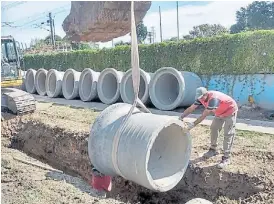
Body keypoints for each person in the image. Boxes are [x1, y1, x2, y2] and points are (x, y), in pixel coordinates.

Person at [180, 87, 238, 169]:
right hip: (219, 113)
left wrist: (192, 125)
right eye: (199, 98)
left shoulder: (214, 99)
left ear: (206, 94)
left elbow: (204, 115)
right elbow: (191, 108)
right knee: (214, 128)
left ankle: (226, 157)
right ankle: (213, 150)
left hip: (229, 111)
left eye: (202, 97)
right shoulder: (201, 98)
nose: (201, 99)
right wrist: (181, 117)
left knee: (228, 133)